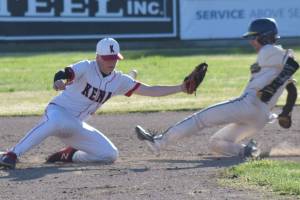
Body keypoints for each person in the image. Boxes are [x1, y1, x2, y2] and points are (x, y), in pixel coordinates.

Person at [0, 37, 191, 169]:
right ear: (97, 56)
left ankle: (70, 155)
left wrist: (180, 88)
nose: (112, 62)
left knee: (110, 155)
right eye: (107, 58)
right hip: (58, 112)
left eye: (114, 58)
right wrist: (58, 81)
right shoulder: (86, 67)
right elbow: (63, 73)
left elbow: (151, 90)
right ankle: (12, 155)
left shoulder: (119, 80)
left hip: (76, 126)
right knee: (57, 122)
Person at [136, 18, 299, 159]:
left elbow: (293, 64)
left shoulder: (269, 49)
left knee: (200, 119)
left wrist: (272, 88)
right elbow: (292, 90)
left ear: (265, 37)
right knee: (217, 143)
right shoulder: (274, 63)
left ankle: (158, 142)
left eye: (254, 37)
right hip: (260, 118)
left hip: (248, 105)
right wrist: (286, 112)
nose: (251, 41)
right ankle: (248, 152)